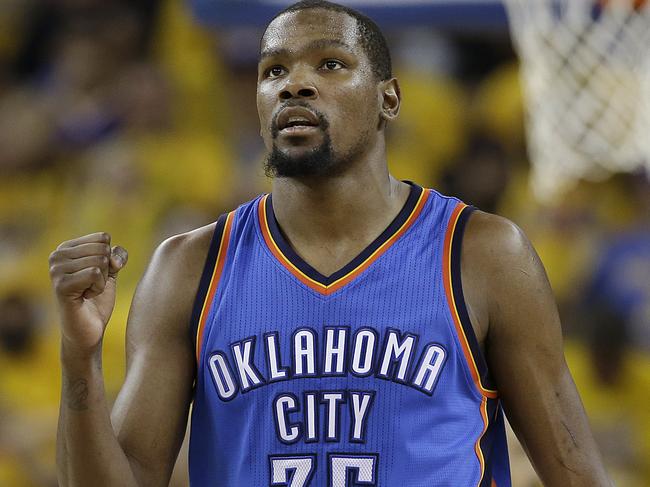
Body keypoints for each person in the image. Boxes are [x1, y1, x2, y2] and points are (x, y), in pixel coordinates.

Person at [48, 1, 612, 485]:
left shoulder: (483, 253)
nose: (294, 82)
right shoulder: (189, 267)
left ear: (389, 100)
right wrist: (80, 359)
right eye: (273, 70)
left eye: (331, 63)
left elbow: (575, 472)